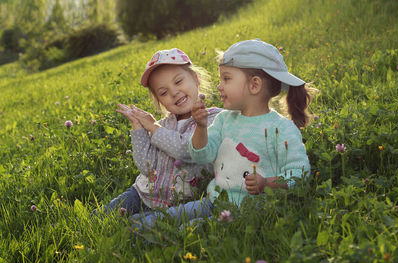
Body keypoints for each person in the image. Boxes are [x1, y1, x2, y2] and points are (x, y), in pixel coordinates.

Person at [131, 39, 311, 231]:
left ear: (255, 85)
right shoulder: (225, 119)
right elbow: (202, 155)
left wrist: (266, 183)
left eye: (226, 79)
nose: (219, 86)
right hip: (215, 200)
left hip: (250, 210)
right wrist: (200, 127)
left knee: (188, 232)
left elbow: (300, 173)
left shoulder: (282, 129)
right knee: (144, 225)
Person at [94, 48, 221, 218]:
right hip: (141, 194)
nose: (174, 92)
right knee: (101, 217)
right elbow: (146, 166)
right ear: (159, 101)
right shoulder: (163, 125)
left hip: (179, 202)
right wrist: (139, 128)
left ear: (195, 79)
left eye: (178, 82)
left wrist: (153, 127)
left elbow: (189, 149)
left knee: (137, 229)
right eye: (163, 92)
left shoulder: (213, 119)